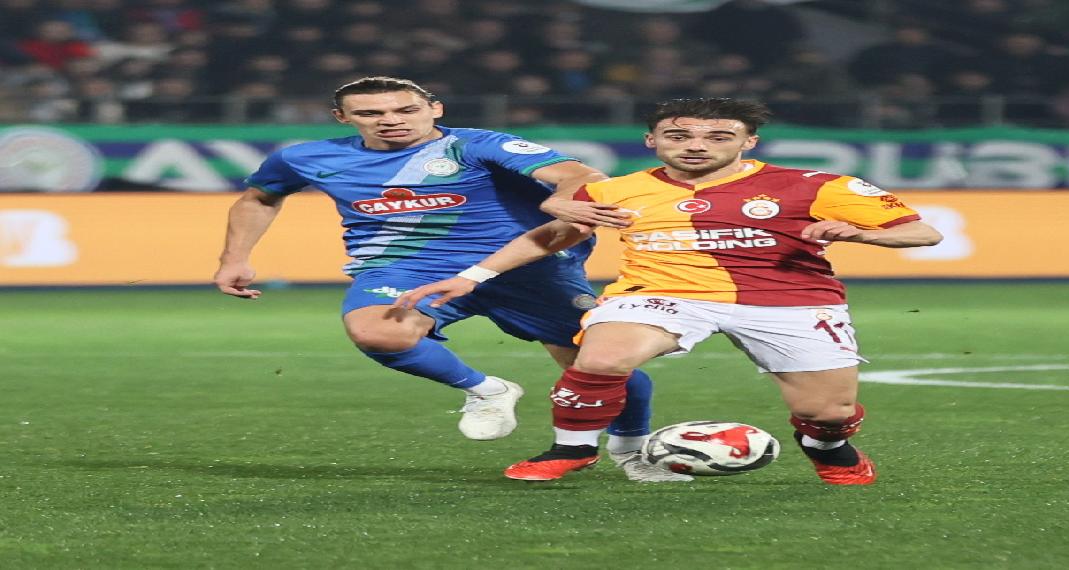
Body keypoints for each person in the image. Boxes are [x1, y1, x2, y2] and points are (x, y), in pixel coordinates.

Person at [396, 98, 943, 484]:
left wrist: (861, 233)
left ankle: (829, 446)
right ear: (652, 140)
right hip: (661, 291)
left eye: (717, 137)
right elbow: (554, 233)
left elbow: (922, 232)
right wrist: (472, 277)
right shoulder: (619, 189)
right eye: (679, 136)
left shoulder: (816, 184)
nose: (696, 146)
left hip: (788, 299)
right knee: (602, 355)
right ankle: (572, 449)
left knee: (827, 409)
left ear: (748, 141)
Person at [213, 76, 689, 482]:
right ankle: (486, 390)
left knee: (600, 365)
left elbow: (579, 173)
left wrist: (561, 198)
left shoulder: (476, 144)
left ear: (434, 109)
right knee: (377, 332)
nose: (391, 120)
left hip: (523, 267)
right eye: (371, 113)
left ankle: (632, 450)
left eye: (406, 109)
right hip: (405, 267)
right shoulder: (306, 157)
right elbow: (259, 197)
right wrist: (235, 257)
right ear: (343, 117)